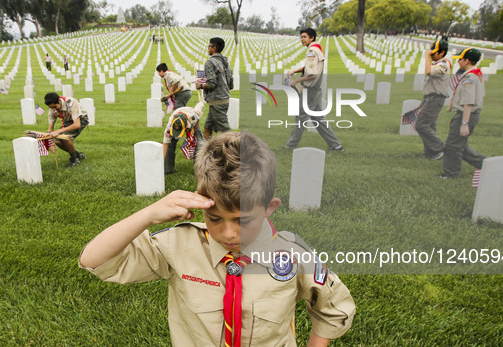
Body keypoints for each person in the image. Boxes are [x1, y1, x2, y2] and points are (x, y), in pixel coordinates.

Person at [78, 131, 356, 346]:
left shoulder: (292, 255)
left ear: (270, 207)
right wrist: (148, 214)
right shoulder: (180, 244)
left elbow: (333, 307)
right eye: (214, 218)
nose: (229, 234)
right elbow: (94, 259)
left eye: (243, 220)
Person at [284, 28, 344, 151]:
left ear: (312, 38)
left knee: (301, 117)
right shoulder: (316, 49)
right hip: (316, 89)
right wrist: (295, 71)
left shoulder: (311, 51)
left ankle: (290, 145)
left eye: (304, 37)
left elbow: (312, 74)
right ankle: (336, 145)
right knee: (319, 119)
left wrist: (296, 81)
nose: (302, 39)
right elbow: (308, 67)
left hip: (310, 90)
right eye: (301, 37)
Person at [438, 48, 486, 179]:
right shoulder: (476, 74)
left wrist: (464, 123)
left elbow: (468, 102)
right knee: (461, 145)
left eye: (460, 59)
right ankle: (486, 164)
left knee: (452, 145)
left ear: (467, 60)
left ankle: (451, 174)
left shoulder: (469, 78)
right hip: (468, 114)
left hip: (466, 115)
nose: (458, 62)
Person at [415, 39, 452, 160]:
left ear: (441, 53)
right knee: (430, 126)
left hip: (436, 98)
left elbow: (429, 72)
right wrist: (423, 100)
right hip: (430, 98)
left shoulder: (443, 65)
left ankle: (440, 149)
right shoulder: (437, 64)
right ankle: (430, 152)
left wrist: (426, 56)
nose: (431, 54)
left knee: (421, 125)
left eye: (433, 52)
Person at [195, 37, 233, 140]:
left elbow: (211, 84)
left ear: (214, 48)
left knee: (226, 134)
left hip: (217, 102)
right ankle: (206, 152)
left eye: (209, 46)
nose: (208, 48)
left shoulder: (210, 62)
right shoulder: (225, 61)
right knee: (208, 127)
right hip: (224, 100)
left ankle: (237, 153)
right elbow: (231, 84)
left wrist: (200, 86)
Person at [44, 92, 89, 167]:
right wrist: (50, 142)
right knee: (58, 142)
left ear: (59, 101)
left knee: (65, 137)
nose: (54, 110)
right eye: (51, 108)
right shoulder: (52, 109)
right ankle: (78, 155)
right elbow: (50, 129)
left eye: (55, 107)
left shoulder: (71, 103)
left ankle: (74, 160)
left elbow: (77, 125)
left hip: (80, 119)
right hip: (68, 121)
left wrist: (58, 131)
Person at [163, 102, 205, 174]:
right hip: (180, 116)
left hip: (192, 122)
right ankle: (167, 169)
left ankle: (200, 169)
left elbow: (198, 115)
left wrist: (193, 130)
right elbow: (165, 144)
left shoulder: (193, 116)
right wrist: (161, 162)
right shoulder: (169, 128)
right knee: (170, 144)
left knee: (199, 142)